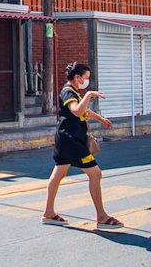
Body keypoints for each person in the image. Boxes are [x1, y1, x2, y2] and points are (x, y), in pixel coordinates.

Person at [41, 62, 123, 230]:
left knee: (58, 174)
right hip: (72, 141)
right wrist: (90, 95)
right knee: (95, 174)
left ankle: (48, 213)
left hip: (66, 140)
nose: (86, 81)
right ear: (77, 77)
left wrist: (100, 118)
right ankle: (102, 217)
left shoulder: (74, 92)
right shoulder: (68, 92)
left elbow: (84, 111)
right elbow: (77, 111)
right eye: (85, 78)